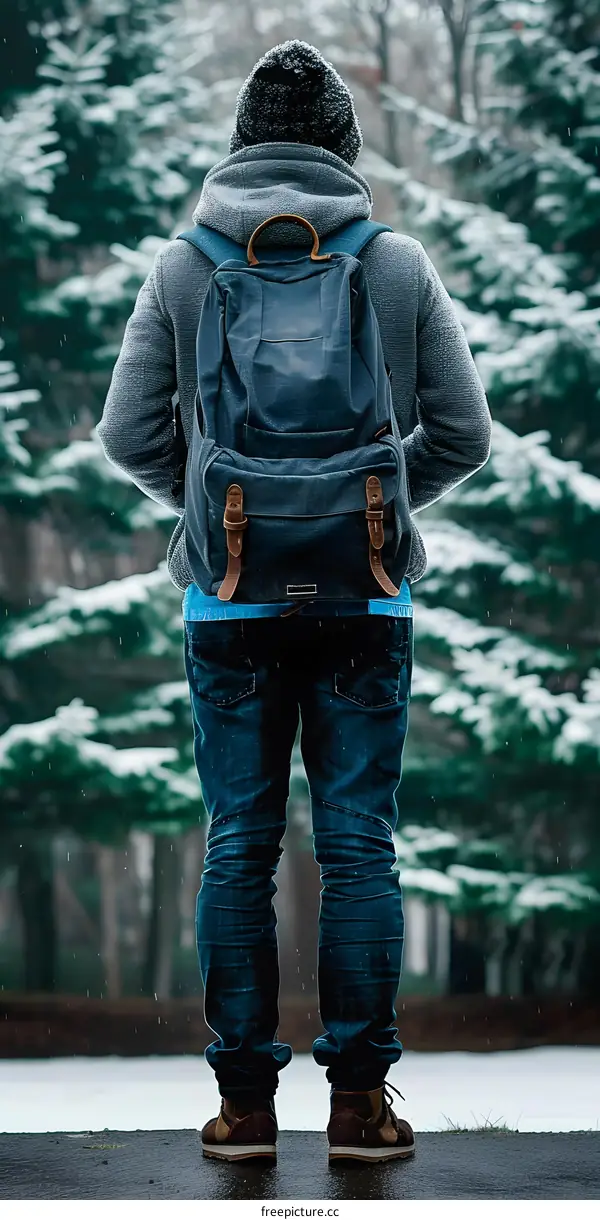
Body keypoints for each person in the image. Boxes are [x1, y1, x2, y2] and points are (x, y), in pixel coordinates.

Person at [98, 39, 492, 1164]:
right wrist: (370, 502)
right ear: (344, 148)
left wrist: (220, 508)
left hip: (229, 604)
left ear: (241, 143)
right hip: (366, 600)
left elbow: (130, 432)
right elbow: (464, 432)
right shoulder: (398, 262)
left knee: (240, 844)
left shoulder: (184, 264)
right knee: (360, 845)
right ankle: (362, 1109)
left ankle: (244, 1107)